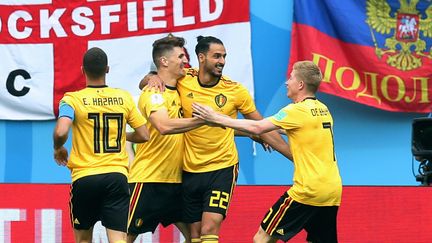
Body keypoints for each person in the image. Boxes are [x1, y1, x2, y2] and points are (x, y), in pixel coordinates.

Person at [147, 36, 291, 243]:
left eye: (224, 56)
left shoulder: (235, 91)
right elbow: (157, 77)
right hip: (190, 169)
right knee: (194, 233)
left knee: (209, 227)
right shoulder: (184, 79)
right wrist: (152, 77)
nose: (222, 61)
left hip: (222, 167)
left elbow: (262, 127)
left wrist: (294, 157)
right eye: (217, 56)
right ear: (201, 57)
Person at [192, 60, 342, 243]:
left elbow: (257, 127)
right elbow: (286, 129)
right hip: (332, 191)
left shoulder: (297, 111)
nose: (287, 82)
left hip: (308, 190)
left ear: (301, 84)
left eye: (291, 77)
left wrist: (214, 117)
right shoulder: (322, 109)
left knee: (262, 239)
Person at [53, 47, 149, 243]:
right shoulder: (124, 98)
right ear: (107, 69)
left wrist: (58, 148)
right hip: (116, 176)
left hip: (85, 177)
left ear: (82, 70)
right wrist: (121, 135)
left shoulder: (72, 99)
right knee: (118, 240)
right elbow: (144, 135)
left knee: (83, 240)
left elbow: (62, 131)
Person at [127, 35, 204, 243]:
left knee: (196, 237)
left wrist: (253, 132)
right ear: (164, 61)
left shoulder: (182, 88)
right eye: (180, 56)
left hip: (176, 182)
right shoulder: (152, 92)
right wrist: (204, 120)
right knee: (123, 238)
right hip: (148, 180)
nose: (185, 61)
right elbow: (163, 126)